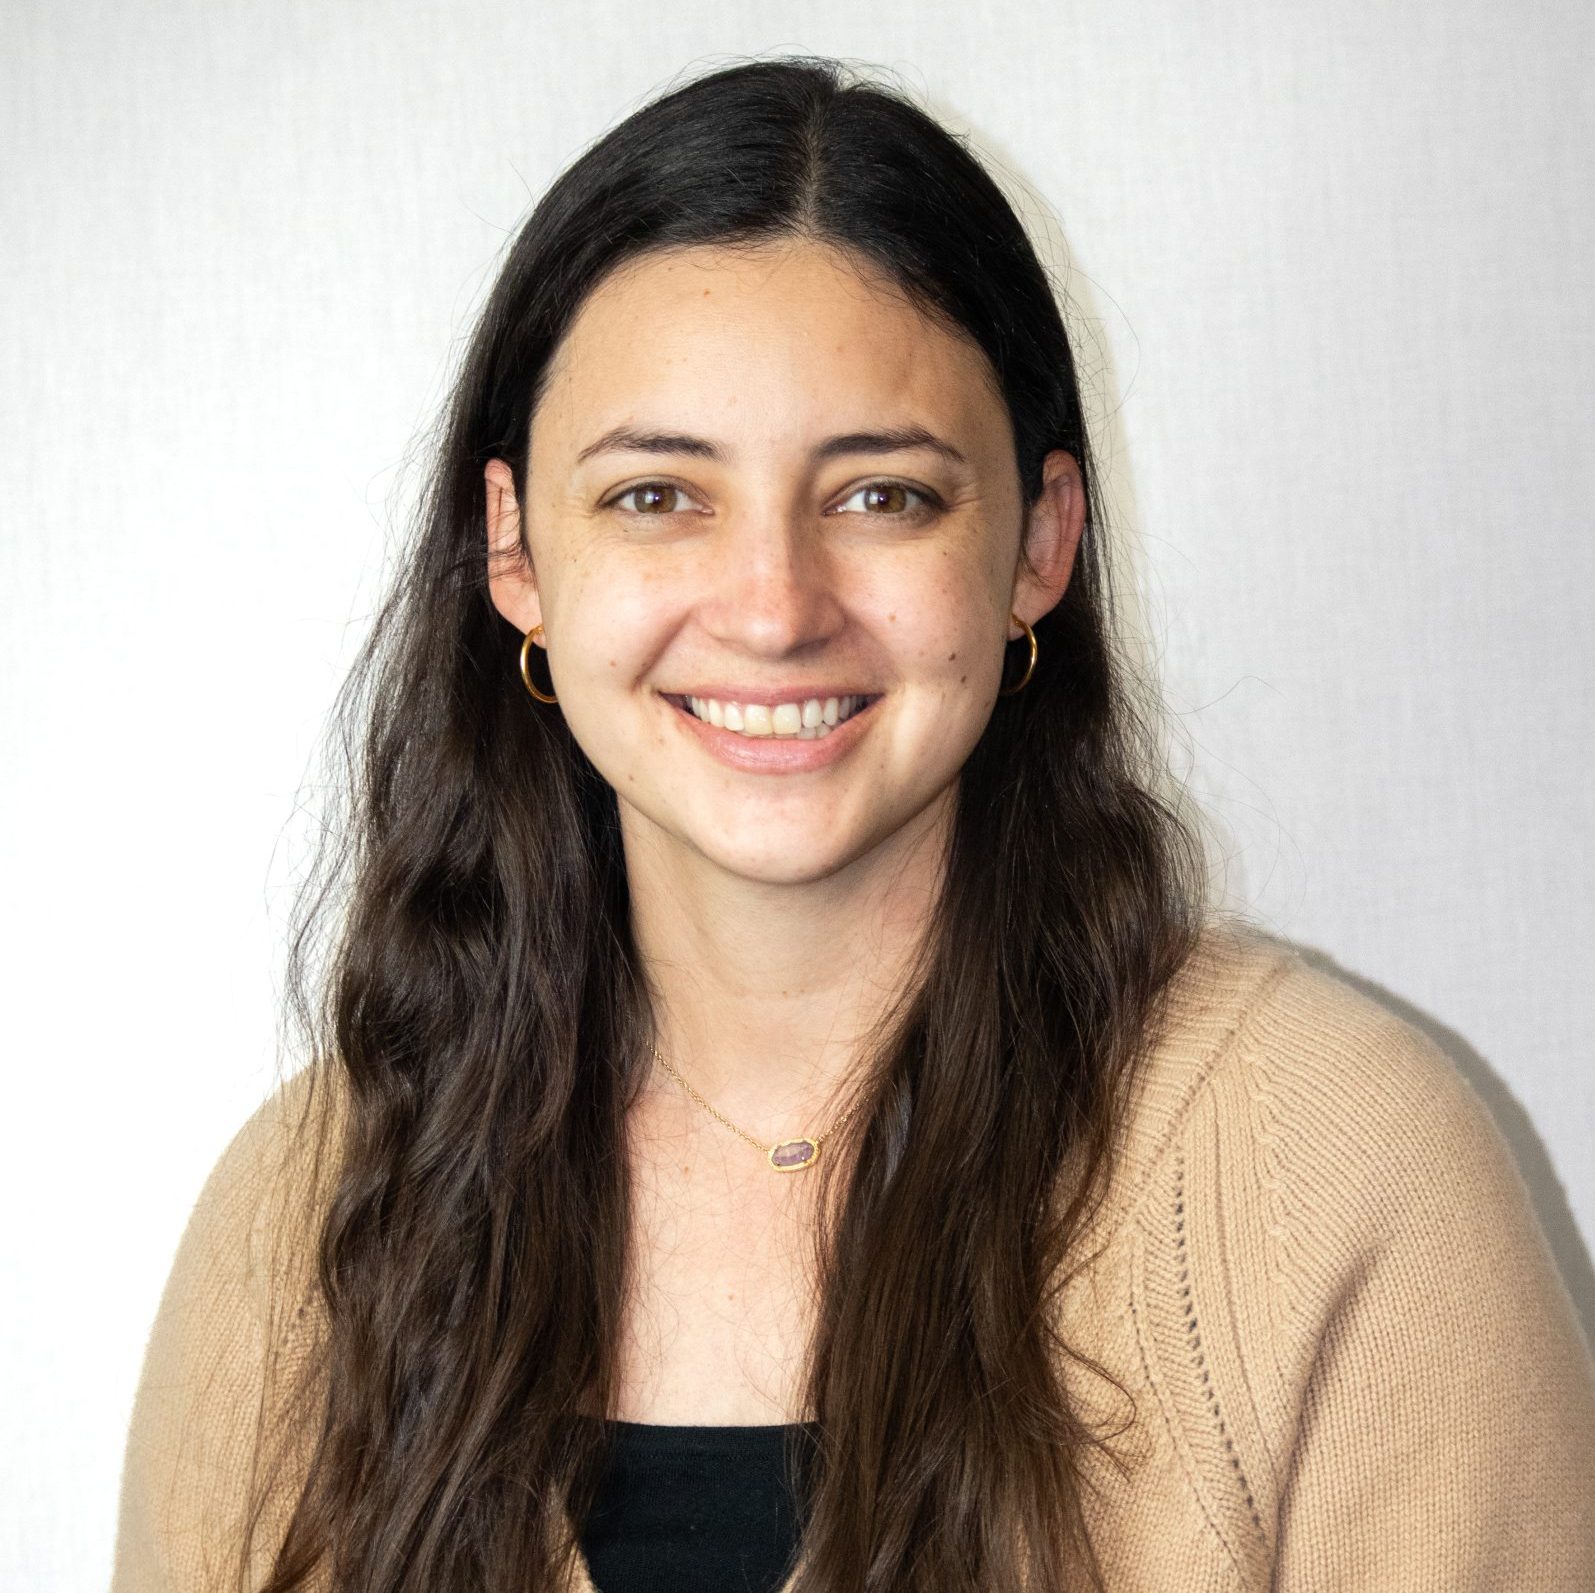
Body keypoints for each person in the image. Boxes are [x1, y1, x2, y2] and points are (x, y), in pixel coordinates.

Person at [111, 55, 1595, 1593]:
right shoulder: (308, 1226)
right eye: (656, 496)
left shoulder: (1340, 1180)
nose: (773, 607)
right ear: (516, 554)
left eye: (882, 496)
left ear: (1041, 546)